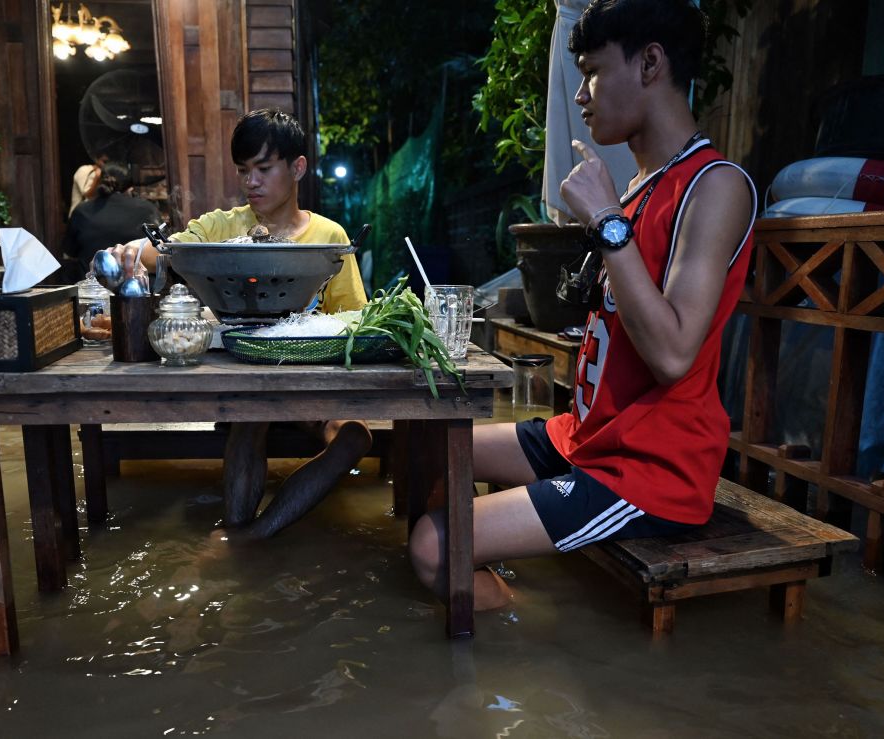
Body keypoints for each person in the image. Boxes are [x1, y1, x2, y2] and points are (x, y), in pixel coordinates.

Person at [409, 0, 758, 610]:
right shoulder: (638, 187)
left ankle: (538, 634)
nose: (583, 94)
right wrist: (612, 214)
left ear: (650, 63)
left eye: (594, 72)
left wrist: (604, 219)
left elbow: (675, 355)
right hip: (590, 438)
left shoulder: (716, 185)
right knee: (424, 440)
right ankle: (501, 583)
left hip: (650, 470)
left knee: (433, 547)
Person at [110, 109, 371, 540]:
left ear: (297, 167)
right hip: (245, 376)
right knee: (252, 414)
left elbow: (352, 320)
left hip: (308, 382)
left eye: (264, 169)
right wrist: (133, 252)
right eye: (243, 171)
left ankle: (256, 534)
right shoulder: (222, 225)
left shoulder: (330, 237)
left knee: (356, 437)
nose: (251, 182)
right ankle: (238, 534)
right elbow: (170, 250)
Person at [62, 161, 160, 281]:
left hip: (92, 290)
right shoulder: (147, 209)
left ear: (98, 183)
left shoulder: (82, 210)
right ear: (130, 188)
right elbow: (162, 249)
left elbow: (70, 252)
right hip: (138, 289)